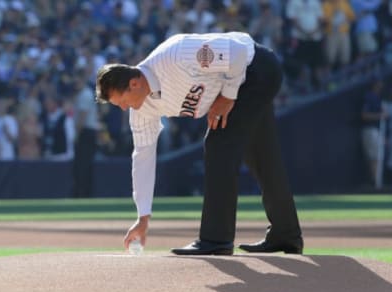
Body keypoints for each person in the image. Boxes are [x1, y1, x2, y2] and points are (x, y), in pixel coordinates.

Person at [96, 32, 303, 255]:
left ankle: (216, 240)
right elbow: (143, 158)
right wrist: (143, 217)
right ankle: (286, 234)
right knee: (262, 156)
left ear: (134, 83)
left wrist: (228, 96)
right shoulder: (141, 111)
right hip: (243, 86)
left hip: (258, 70)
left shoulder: (177, 55)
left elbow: (239, 53)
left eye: (122, 101)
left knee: (218, 146)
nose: (124, 108)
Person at [361, 79, 385, 188]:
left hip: (376, 130)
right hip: (370, 130)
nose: (381, 85)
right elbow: (364, 115)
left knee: (377, 157)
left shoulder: (378, 98)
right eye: (379, 83)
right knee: (374, 157)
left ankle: (376, 182)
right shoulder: (369, 97)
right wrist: (380, 115)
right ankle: (375, 183)